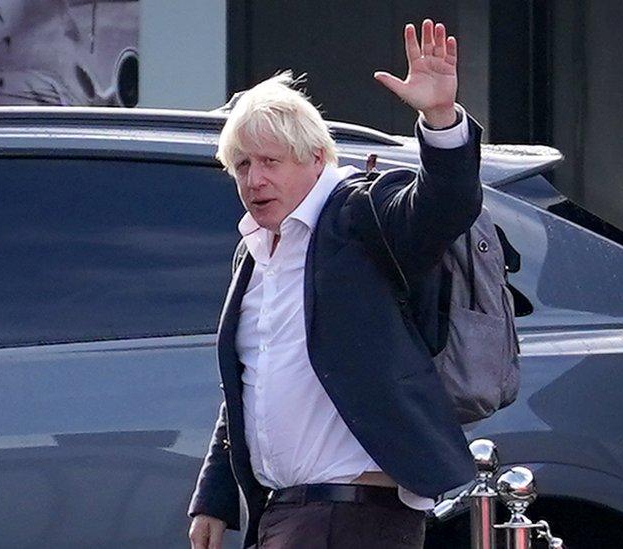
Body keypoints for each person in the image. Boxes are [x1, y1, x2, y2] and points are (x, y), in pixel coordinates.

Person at [188, 19, 481, 548]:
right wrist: (214, 497)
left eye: (271, 162)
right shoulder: (255, 251)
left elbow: (444, 208)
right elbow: (253, 379)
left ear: (317, 158)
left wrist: (439, 118)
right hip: (286, 512)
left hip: (353, 512)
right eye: (242, 165)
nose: (254, 180)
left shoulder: (357, 214)